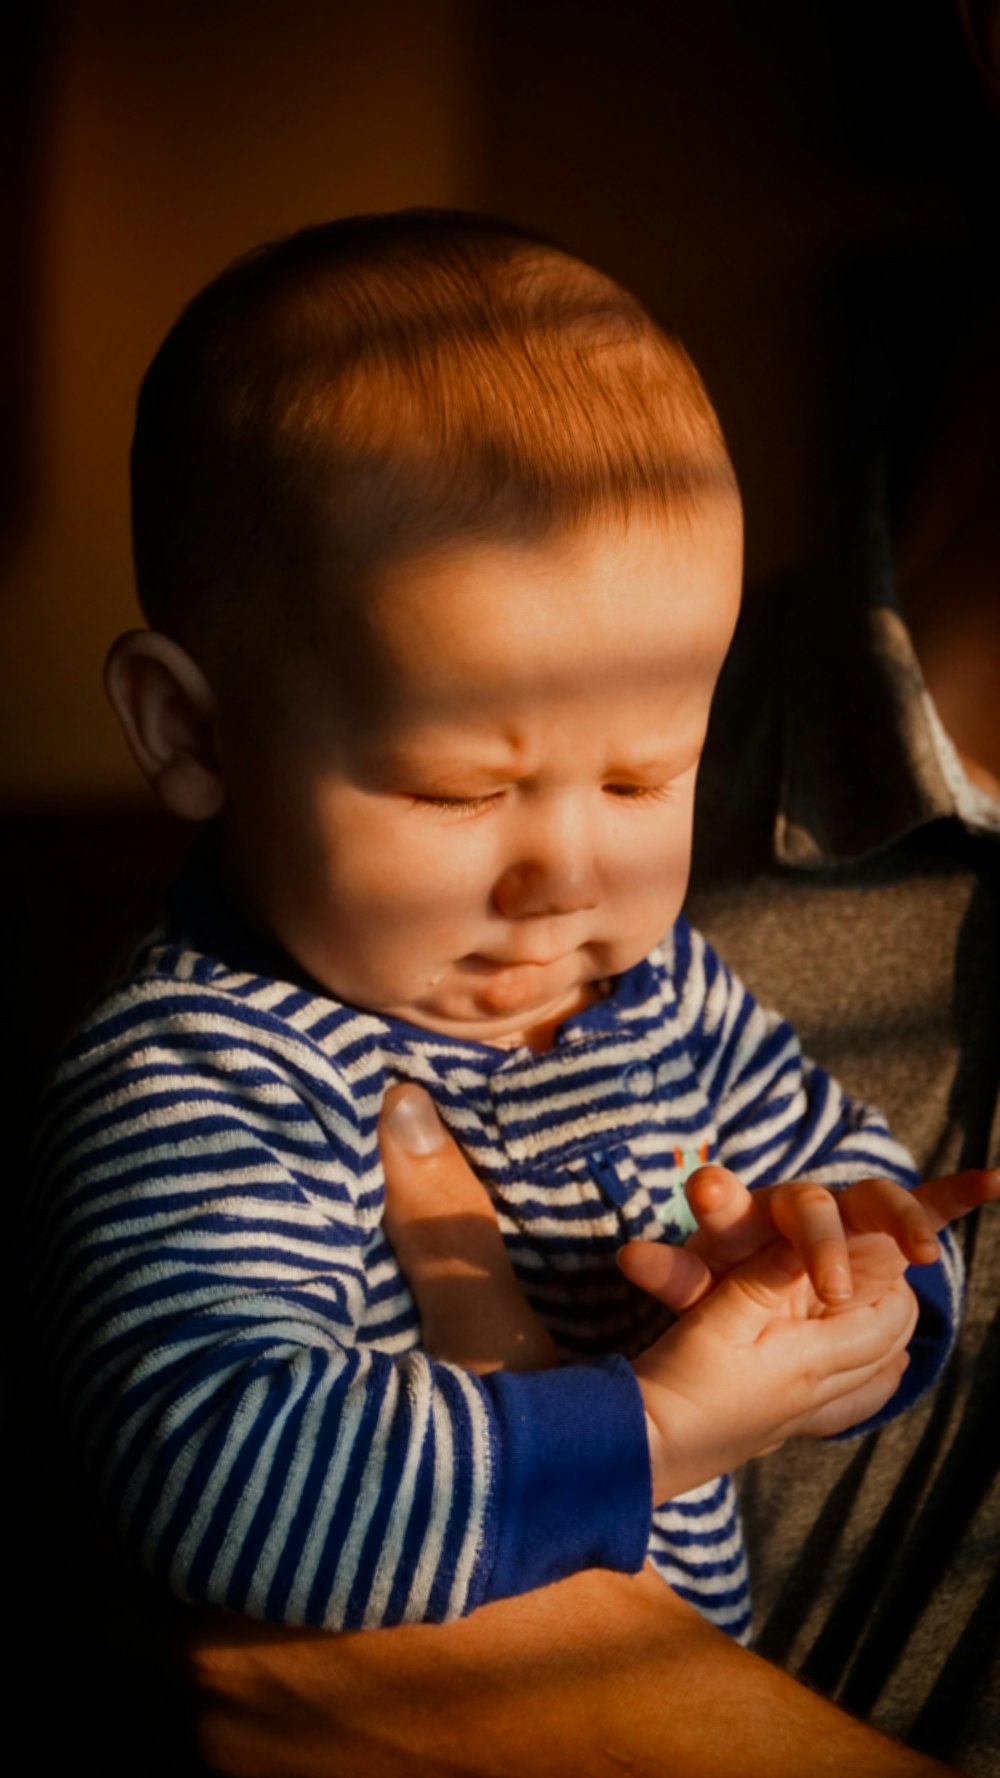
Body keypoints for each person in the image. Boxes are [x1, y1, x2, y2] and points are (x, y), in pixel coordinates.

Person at [23, 212, 995, 1769]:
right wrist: (667, 1426)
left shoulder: (657, 991)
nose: (563, 876)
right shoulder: (203, 1074)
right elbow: (212, 1460)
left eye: (641, 775)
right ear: (190, 732)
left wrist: (856, 1280)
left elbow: (852, 1163)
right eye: (459, 792)